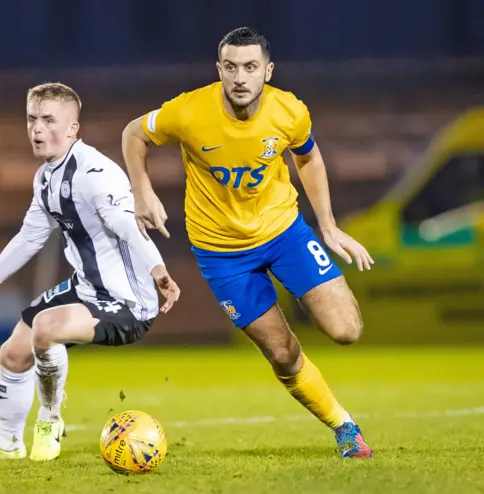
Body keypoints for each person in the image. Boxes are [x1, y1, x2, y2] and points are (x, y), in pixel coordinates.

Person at [121, 27, 373, 458]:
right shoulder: (190, 110)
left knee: (347, 330)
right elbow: (134, 133)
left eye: (251, 67)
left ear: (267, 71)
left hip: (284, 232)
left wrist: (327, 226)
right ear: (219, 69)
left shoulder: (289, 110)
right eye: (231, 67)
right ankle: (344, 426)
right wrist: (141, 190)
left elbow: (308, 156)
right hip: (222, 253)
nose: (240, 77)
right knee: (281, 353)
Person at [0, 82, 180, 461]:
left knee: (47, 329)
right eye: (32, 119)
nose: (37, 129)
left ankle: (50, 421)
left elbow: (126, 224)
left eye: (49, 120)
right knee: (13, 353)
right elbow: (31, 236)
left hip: (128, 303)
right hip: (85, 290)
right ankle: (7, 445)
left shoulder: (95, 172)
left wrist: (158, 270)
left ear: (73, 129)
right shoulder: (46, 177)